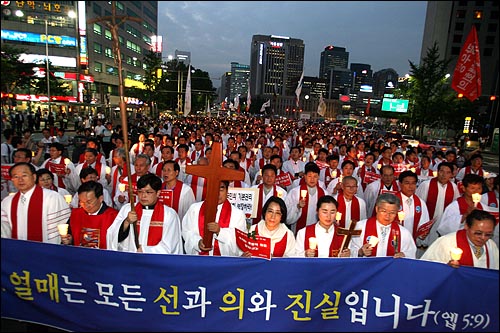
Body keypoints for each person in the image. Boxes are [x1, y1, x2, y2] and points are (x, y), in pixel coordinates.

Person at [107, 173, 183, 254]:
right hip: (130, 260)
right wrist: (126, 222)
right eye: (140, 192)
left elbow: (171, 245)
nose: (143, 196)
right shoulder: (128, 209)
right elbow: (112, 235)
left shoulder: (169, 214)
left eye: (148, 192)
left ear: (158, 193)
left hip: (156, 263)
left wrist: (145, 250)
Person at [1, 162, 71, 244]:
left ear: (34, 177)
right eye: (16, 177)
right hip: (17, 251)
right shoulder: (7, 202)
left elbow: (62, 227)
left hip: (46, 251)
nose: (20, 180)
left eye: (24, 175)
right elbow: (5, 231)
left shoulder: (52, 197)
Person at [182, 181, 247, 256]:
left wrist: (220, 232)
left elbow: (240, 241)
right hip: (199, 261)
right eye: (214, 189)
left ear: (227, 190)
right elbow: (187, 232)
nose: (217, 193)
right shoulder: (194, 209)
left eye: (221, 189)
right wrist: (198, 242)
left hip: (225, 263)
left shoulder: (237, 214)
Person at [421, 209, 498, 270]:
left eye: (488, 234)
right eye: (478, 233)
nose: (483, 238)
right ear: (466, 226)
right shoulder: (446, 242)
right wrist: (445, 269)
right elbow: (425, 268)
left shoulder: (491, 245)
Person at [350, 193, 417, 259]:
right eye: (384, 211)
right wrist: (360, 252)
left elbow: (411, 253)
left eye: (392, 212)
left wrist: (404, 255)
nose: (387, 216)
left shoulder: (403, 232)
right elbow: (349, 251)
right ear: (377, 209)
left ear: (397, 213)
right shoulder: (361, 227)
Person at [61, 181, 119, 249]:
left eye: (89, 202)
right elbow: (70, 236)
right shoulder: (76, 214)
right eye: (82, 202)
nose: (85, 206)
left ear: (100, 198)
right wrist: (69, 240)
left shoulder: (113, 216)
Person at [285, 162, 327, 235]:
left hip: (318, 232)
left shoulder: (324, 194)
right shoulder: (295, 192)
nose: (312, 179)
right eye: (309, 176)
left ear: (318, 177)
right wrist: (297, 207)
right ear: (305, 176)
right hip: (299, 230)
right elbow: (287, 215)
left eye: (315, 176)